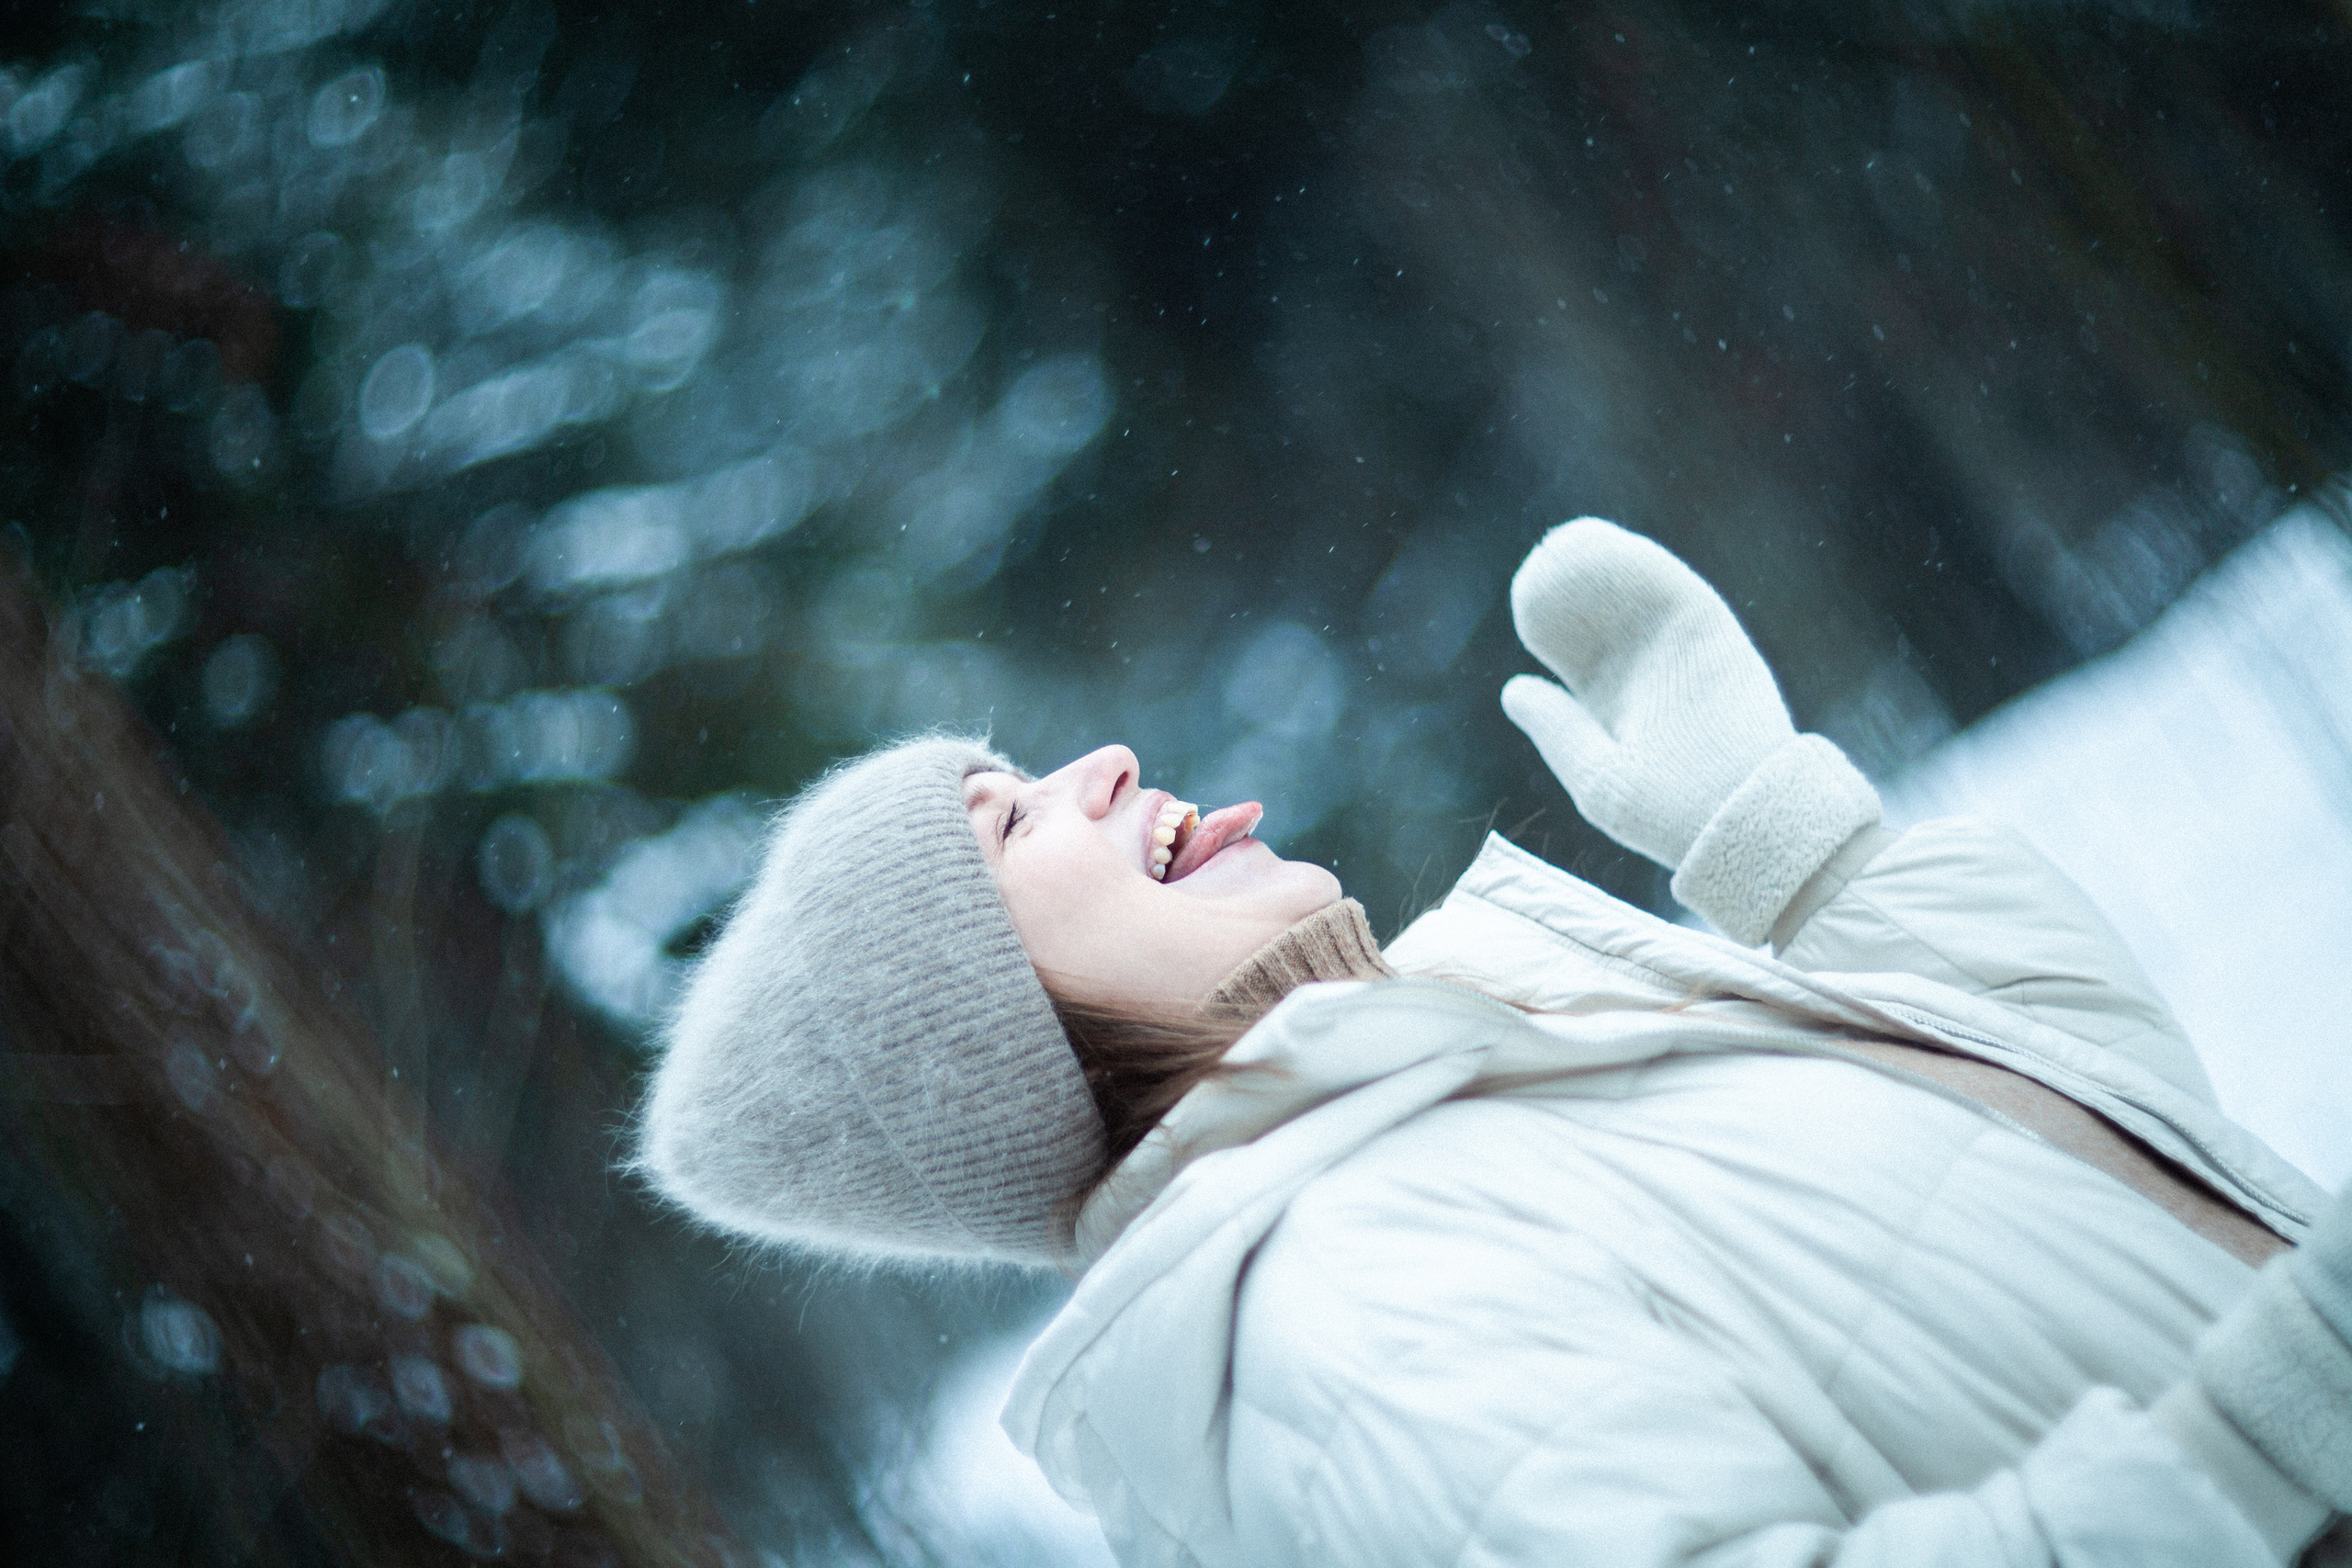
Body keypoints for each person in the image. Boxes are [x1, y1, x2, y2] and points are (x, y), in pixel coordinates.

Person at [635, 519, 2352, 1566]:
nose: (1091, 766)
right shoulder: (1337, 1319)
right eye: (1009, 827)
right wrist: (2278, 1430)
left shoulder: (1478, 1053)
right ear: (985, 1045)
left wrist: (1794, 854)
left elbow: (2114, 1158)